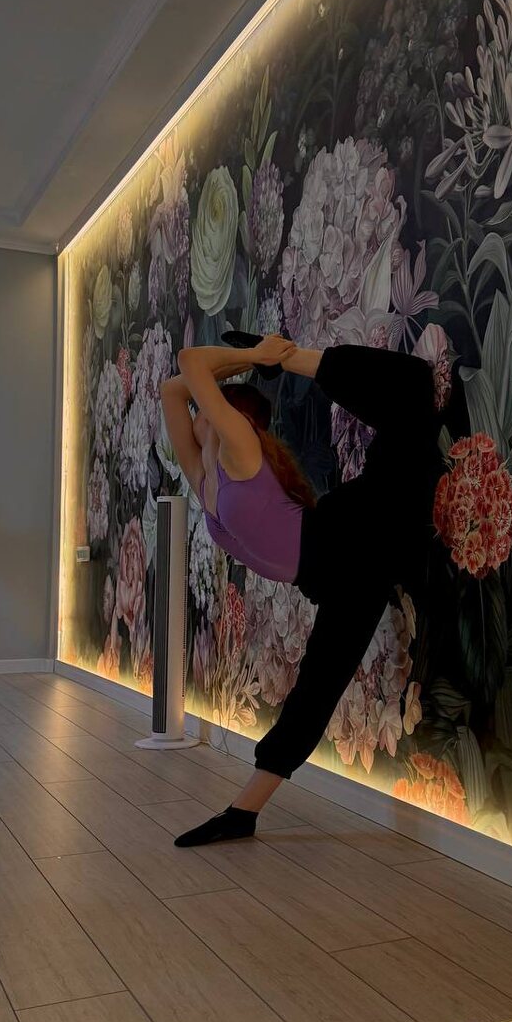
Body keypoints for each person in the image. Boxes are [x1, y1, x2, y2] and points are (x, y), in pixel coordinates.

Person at [159, 334, 442, 845]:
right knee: (316, 691)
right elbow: (172, 389)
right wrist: (249, 362)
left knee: (414, 388)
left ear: (231, 416)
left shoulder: (240, 451)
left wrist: (263, 357)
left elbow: (190, 364)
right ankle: (242, 814)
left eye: (207, 408)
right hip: (334, 572)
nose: (196, 413)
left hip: (353, 535)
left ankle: (297, 358)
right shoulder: (202, 475)